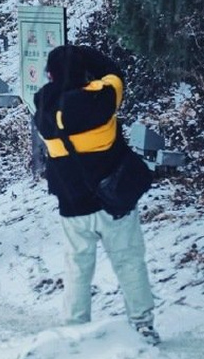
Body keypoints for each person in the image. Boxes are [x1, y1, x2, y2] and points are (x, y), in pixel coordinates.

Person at [33, 43, 158, 342]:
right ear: (83, 72)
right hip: (114, 203)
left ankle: (75, 330)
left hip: (73, 207)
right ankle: (142, 324)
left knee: (77, 269)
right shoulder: (101, 99)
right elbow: (114, 74)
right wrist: (83, 52)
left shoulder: (43, 111)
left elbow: (54, 91)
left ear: (50, 74)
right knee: (129, 263)